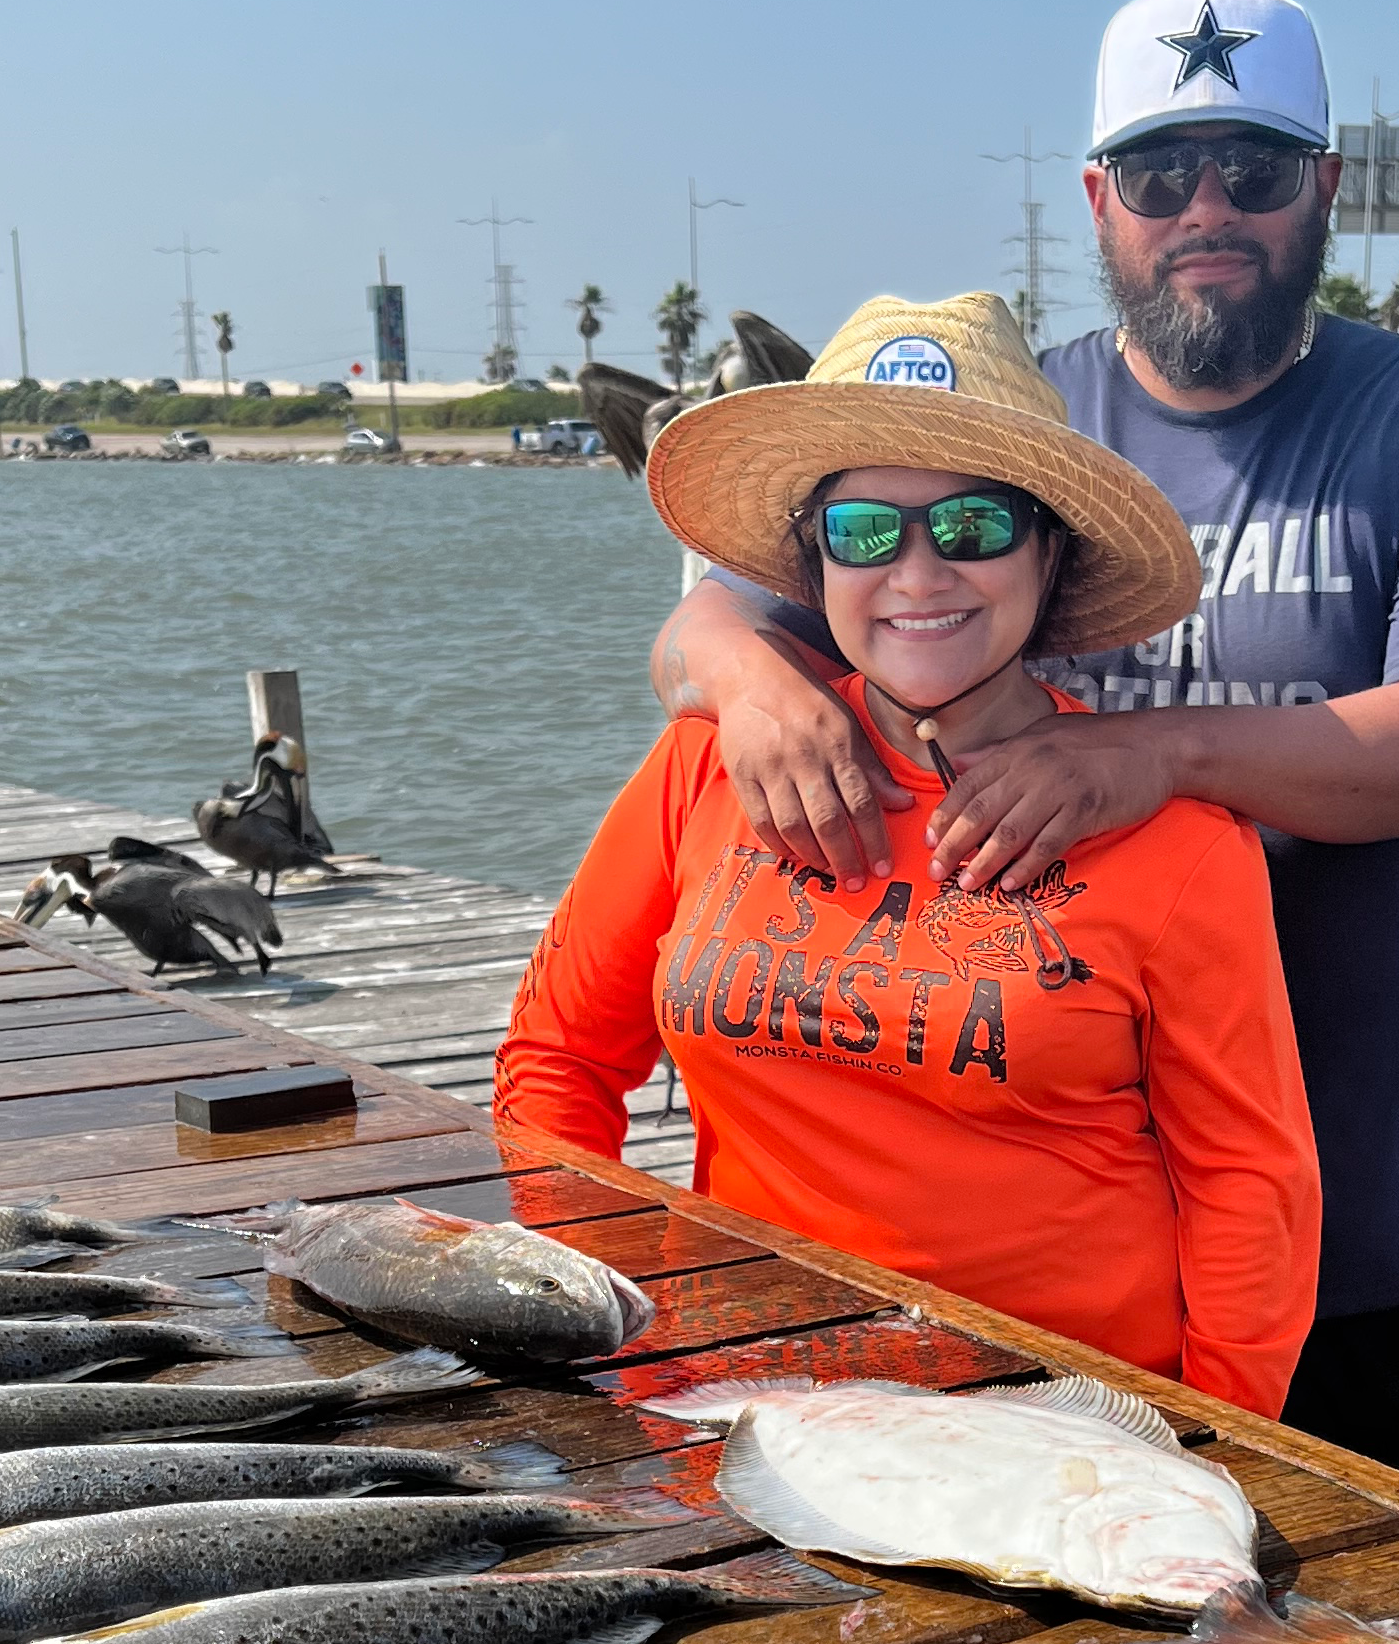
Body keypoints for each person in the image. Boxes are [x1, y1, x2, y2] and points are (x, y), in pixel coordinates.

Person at [647, 0, 1399, 1486]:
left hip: (1329, 1221)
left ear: (1324, 187)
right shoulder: (1008, 420)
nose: (1205, 209)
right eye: (1160, 174)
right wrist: (749, 683)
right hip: (1012, 1260)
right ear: (1099, 199)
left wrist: (1152, 752)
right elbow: (723, 614)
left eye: (1255, 171)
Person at [495, 292, 1321, 1419]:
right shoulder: (703, 766)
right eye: (866, 533)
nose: (919, 576)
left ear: (1051, 555)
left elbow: (1249, 1190)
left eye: (975, 528)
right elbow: (557, 1062)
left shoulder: (1181, 844)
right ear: (813, 563)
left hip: (1058, 1420)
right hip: (740, 1394)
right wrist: (591, 1311)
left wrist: (1215, 1442)